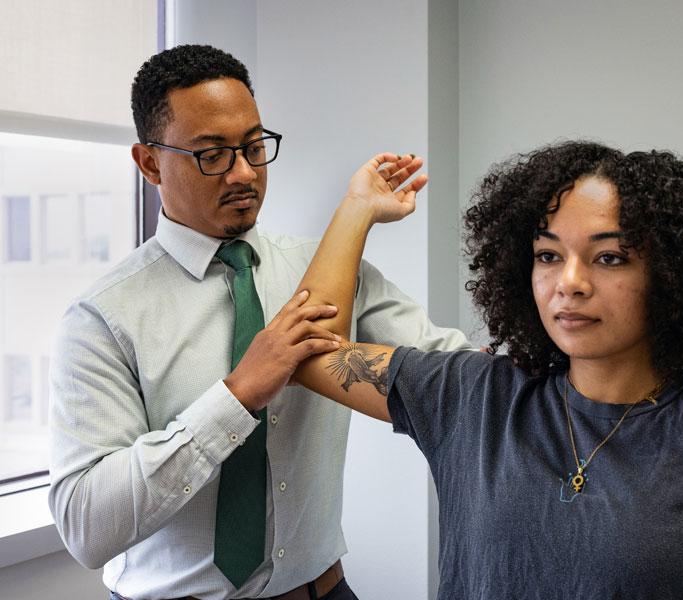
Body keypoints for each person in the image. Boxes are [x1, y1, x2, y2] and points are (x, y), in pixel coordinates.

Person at [288, 140, 683, 599]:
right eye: (548, 255)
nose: (569, 282)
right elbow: (307, 352)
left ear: (673, 275)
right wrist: (356, 211)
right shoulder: (473, 397)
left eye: (610, 258)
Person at [48, 44, 469, 600]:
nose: (244, 173)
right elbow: (85, 526)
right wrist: (239, 394)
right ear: (150, 162)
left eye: (253, 146)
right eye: (212, 154)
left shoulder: (329, 273)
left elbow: (457, 373)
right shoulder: (103, 318)